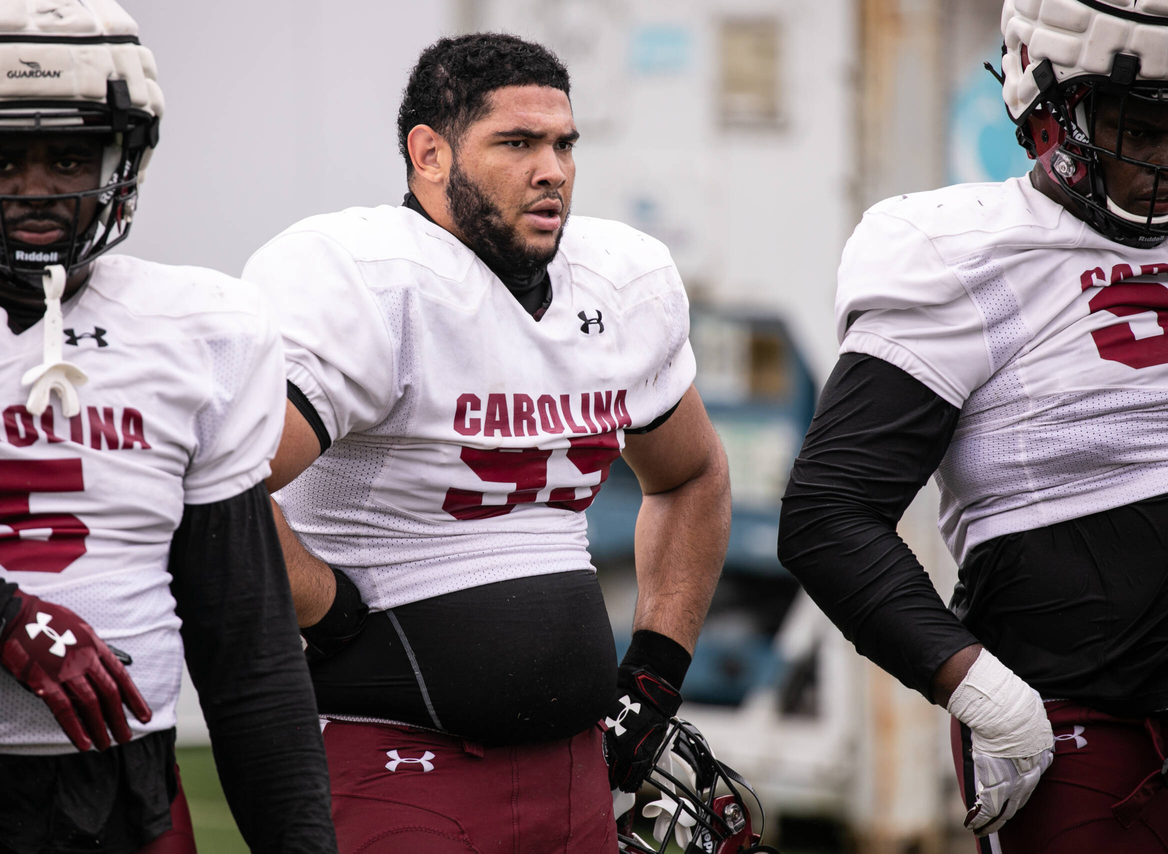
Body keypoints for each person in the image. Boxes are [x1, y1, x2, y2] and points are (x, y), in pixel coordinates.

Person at [243, 33, 732, 852]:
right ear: (429, 154)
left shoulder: (617, 279)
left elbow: (691, 476)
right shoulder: (370, 278)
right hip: (387, 758)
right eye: (517, 143)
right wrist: (325, 609)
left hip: (575, 771)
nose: (554, 170)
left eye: (564, 143)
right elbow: (216, 483)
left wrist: (653, 672)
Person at [0, 1, 335, 851]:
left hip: (127, 798)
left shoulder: (203, 325)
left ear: (123, 156)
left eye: (68, 155)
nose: (35, 189)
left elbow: (246, 648)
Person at [778, 2, 1168, 852]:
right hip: (1082, 725)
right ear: (1047, 110)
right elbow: (828, 515)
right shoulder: (963, 253)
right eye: (1141, 125)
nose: (1167, 160)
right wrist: (984, 692)